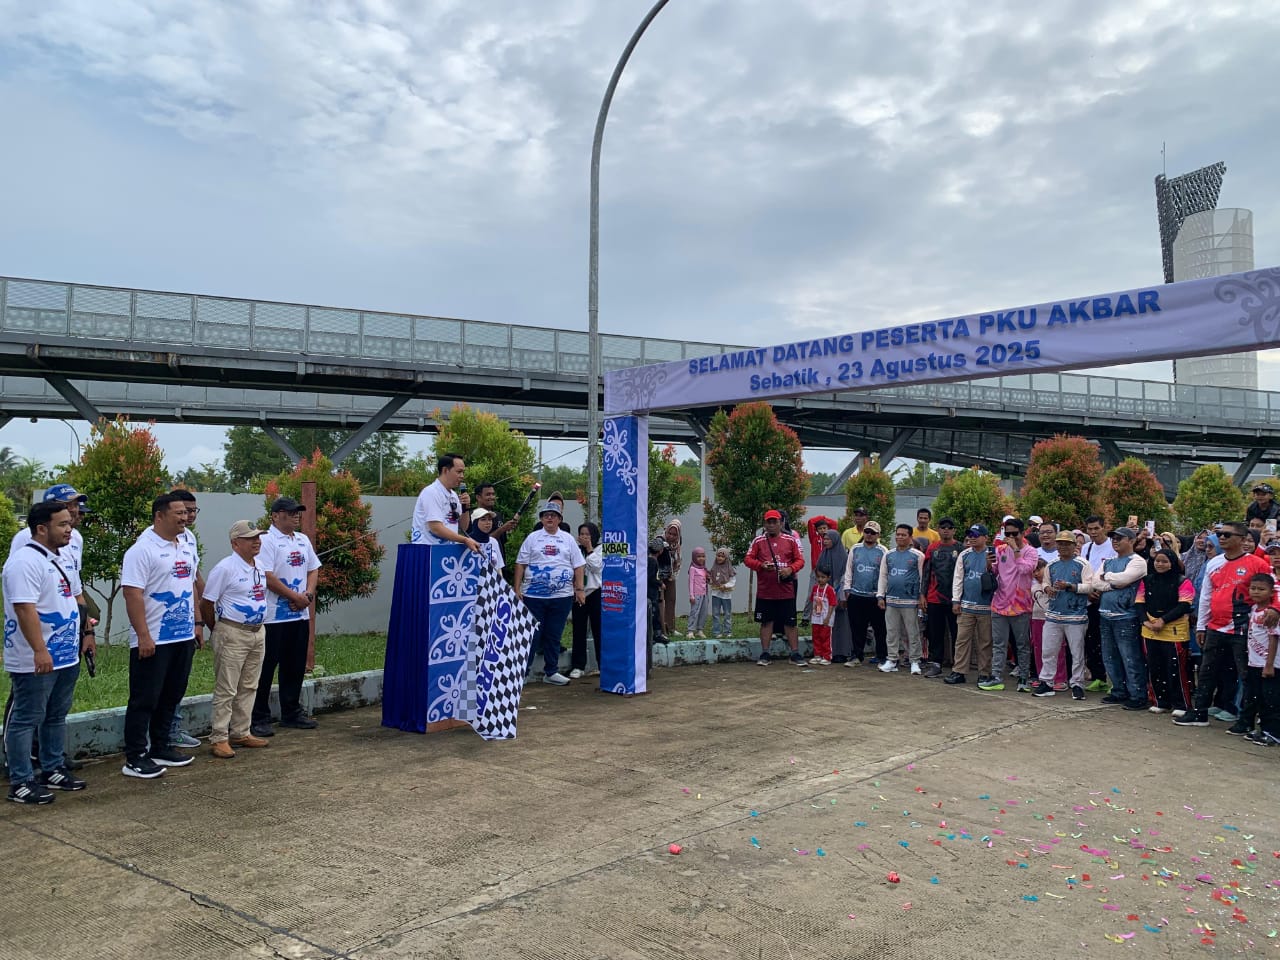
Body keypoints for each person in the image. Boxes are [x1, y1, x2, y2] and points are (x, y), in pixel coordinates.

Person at [3, 502, 91, 803]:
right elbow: (25, 609)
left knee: (55, 715)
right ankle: (21, 781)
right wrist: (40, 650)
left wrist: (85, 634)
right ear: (42, 528)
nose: (70, 528)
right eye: (63, 524)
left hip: (66, 655)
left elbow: (72, 598)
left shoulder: (61, 557)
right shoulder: (24, 562)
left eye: (70, 523)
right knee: (27, 718)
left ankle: (51, 768)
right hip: (35, 658)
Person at [120, 493, 201, 779]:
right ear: (159, 515)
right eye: (178, 513)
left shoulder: (185, 545)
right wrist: (143, 636)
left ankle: (161, 746)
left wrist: (196, 623)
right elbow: (132, 593)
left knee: (172, 694)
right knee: (145, 698)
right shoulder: (142, 550)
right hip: (154, 638)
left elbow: (191, 585)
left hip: (181, 636)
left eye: (187, 513)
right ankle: (135, 756)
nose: (184, 517)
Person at [1175, 520, 1274, 728]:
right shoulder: (1214, 562)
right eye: (1220, 534)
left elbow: (1271, 592)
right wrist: (1201, 626)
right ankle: (1199, 713)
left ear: (1242, 539)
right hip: (1215, 627)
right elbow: (1206, 597)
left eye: (1227, 535)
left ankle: (1245, 721)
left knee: (1245, 675)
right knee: (1207, 671)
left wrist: (1271, 613)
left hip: (1243, 628)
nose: (1221, 538)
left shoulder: (1258, 564)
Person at [251, 497, 323, 737]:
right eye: (290, 512)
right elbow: (267, 576)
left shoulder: (302, 540)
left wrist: (308, 595)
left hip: (299, 616)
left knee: (294, 667)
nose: (296, 516)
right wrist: (294, 595)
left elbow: (313, 569)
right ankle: (259, 717)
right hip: (273, 618)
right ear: (275, 515)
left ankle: (291, 712)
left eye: (297, 513)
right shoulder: (267, 541)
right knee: (265, 668)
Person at [200, 521, 270, 759]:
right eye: (251, 538)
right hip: (232, 632)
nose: (257, 541)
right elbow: (207, 602)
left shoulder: (259, 565)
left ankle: (241, 731)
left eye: (258, 537)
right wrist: (216, 628)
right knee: (227, 687)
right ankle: (219, 737)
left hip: (257, 632)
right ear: (235, 543)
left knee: (249, 685)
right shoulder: (225, 568)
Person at [514, 500, 585, 685]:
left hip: (561, 597)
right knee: (531, 634)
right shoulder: (533, 538)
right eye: (546, 515)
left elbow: (578, 566)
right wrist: (517, 588)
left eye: (553, 515)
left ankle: (551, 672)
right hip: (534, 596)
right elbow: (520, 564)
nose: (550, 518)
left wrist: (580, 589)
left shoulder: (568, 539)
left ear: (560, 519)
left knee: (554, 634)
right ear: (542, 519)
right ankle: (523, 673)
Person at [1033, 530, 1096, 699]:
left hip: (1076, 615)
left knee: (1077, 652)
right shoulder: (1052, 564)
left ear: (1074, 545)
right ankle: (1046, 682)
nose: (1063, 547)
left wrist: (1070, 586)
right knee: (1048, 650)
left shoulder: (1083, 564)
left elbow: (1090, 586)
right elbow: (1045, 581)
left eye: (1067, 544)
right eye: (1060, 543)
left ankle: (1077, 684)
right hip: (1053, 614)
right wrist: (1048, 589)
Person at [165, 489, 205, 750]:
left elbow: (193, 580)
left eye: (192, 511)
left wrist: (199, 620)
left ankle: (172, 729)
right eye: (183, 511)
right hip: (161, 630)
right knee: (159, 686)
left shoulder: (188, 539)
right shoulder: (154, 542)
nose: (189, 516)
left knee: (178, 682)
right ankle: (159, 735)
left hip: (185, 626)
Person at [1093, 527, 1150, 710]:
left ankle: (1138, 694)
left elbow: (1123, 579)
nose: (1115, 541)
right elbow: (1095, 583)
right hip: (1105, 614)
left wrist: (1107, 578)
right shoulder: (1108, 561)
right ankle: (1118, 690)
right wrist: (1112, 583)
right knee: (1110, 657)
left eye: (1119, 538)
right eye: (1113, 538)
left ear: (1132, 540)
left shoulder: (1138, 561)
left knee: (1130, 657)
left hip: (1126, 616)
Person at [1135, 549, 1195, 716]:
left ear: (1172, 563)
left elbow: (1184, 604)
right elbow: (1139, 602)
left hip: (1174, 630)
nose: (1160, 564)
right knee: (1155, 667)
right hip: (1150, 630)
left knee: (1176, 668)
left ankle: (1181, 704)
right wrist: (1146, 621)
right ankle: (1160, 701)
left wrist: (1163, 620)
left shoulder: (1182, 581)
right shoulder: (1146, 581)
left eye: (1164, 561)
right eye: (1157, 561)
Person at [745, 509, 805, 666]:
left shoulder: (790, 540)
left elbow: (800, 560)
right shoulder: (758, 541)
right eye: (768, 522)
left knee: (790, 623)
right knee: (766, 622)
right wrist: (761, 565)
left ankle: (795, 654)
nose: (771, 525)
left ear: (781, 523)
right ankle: (765, 654)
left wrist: (790, 569)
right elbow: (748, 559)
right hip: (765, 591)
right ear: (764, 524)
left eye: (775, 522)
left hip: (786, 591)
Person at [988, 517, 1038, 692]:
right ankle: (996, 677)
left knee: (1022, 644)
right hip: (999, 603)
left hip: (1020, 605)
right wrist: (989, 565)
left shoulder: (1031, 552)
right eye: (1007, 533)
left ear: (1022, 533)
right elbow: (996, 571)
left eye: (1014, 534)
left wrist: (1016, 549)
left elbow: (1025, 569)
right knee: (999, 643)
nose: (1010, 537)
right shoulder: (1000, 549)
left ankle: (1024, 677)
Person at [945, 524, 995, 686]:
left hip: (987, 607)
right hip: (966, 606)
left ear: (985, 537)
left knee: (985, 642)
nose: (972, 538)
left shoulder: (993, 554)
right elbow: (958, 578)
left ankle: (984, 673)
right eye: (970, 535)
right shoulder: (964, 555)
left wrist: (990, 565)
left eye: (976, 535)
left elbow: (999, 577)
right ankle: (959, 671)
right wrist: (956, 600)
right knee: (962, 640)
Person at [877, 524, 925, 674]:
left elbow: (923, 578)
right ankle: (892, 660)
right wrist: (880, 595)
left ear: (910, 537)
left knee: (912, 632)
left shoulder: (918, 556)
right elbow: (883, 576)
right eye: (897, 534)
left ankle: (915, 661)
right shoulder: (888, 555)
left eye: (903, 535)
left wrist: (921, 597)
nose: (899, 537)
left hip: (910, 601)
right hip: (891, 600)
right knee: (891, 631)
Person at [1241, 573, 1280, 746]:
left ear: (1272, 592)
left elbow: (1273, 638)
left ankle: (1274, 733)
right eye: (1253, 588)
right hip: (1254, 662)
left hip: (1270, 664)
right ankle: (1264, 729)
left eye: (1261, 589)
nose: (1256, 592)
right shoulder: (1253, 610)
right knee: (1258, 697)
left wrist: (1269, 665)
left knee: (1271, 699)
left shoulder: (1271, 615)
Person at [841, 520, 887, 665]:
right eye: (867, 532)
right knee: (857, 628)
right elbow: (849, 569)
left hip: (875, 596)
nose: (869, 535)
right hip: (856, 595)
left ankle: (881, 656)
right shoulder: (855, 549)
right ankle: (856, 656)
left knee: (880, 629)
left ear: (878, 535)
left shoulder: (883, 551)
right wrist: (847, 589)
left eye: (873, 533)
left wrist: (882, 594)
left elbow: (885, 574)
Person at [1080, 515, 1117, 692]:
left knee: (1111, 641)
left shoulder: (1113, 546)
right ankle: (1098, 677)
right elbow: (1084, 572)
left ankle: (1116, 681)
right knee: (1092, 640)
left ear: (1103, 527)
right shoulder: (1086, 548)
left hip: (1109, 598)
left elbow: (1115, 572)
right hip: (1090, 600)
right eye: (1090, 529)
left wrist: (1101, 590)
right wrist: (1089, 592)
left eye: (1096, 528)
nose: (1093, 532)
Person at [411, 453, 477, 550]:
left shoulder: (453, 495)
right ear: (445, 470)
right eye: (459, 472)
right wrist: (464, 540)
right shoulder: (431, 492)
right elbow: (436, 528)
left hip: (446, 551)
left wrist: (466, 507)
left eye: (463, 472)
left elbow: (463, 526)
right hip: (427, 551)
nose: (462, 476)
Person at [922, 518, 960, 675]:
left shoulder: (960, 548)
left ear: (954, 530)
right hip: (934, 598)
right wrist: (922, 596)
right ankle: (936, 663)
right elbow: (925, 573)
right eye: (943, 527)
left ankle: (958, 665)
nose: (946, 530)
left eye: (949, 527)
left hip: (954, 599)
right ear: (938, 529)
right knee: (935, 633)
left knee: (957, 633)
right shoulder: (932, 548)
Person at [569, 522, 602, 679]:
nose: (584, 537)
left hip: (595, 592)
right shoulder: (575, 550)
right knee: (579, 630)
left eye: (587, 534)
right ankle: (578, 665)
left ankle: (602, 663)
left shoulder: (601, 549)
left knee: (598, 629)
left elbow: (596, 567)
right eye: (582, 534)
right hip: (579, 593)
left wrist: (589, 548)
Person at [815, 530, 853, 663]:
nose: (826, 541)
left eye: (828, 539)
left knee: (841, 623)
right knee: (826, 623)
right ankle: (826, 652)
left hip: (839, 595)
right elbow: (818, 574)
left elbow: (845, 577)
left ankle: (841, 652)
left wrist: (841, 595)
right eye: (824, 539)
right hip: (825, 596)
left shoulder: (843, 557)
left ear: (835, 540)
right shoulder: (823, 555)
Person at [1030, 558, 1066, 690]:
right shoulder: (1034, 587)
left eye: (1039, 569)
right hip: (1036, 619)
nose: (1036, 573)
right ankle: (1043, 677)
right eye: (1033, 571)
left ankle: (1060, 678)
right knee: (1039, 648)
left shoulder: (1055, 585)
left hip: (1053, 619)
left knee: (1057, 649)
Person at [468, 482, 520, 555]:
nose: (492, 497)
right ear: (478, 497)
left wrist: (508, 528)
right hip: (480, 559)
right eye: (488, 494)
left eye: (493, 494)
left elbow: (502, 540)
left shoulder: (498, 515)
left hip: (499, 560)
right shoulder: (472, 516)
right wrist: (503, 528)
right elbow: (479, 539)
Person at [808, 568, 837, 665]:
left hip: (825, 617)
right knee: (816, 636)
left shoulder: (830, 590)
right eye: (818, 577)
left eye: (823, 577)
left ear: (828, 578)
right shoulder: (815, 588)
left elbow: (832, 604)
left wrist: (828, 617)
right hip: (816, 616)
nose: (820, 579)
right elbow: (813, 601)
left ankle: (827, 656)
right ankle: (817, 655)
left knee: (825, 637)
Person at [708, 548, 737, 639]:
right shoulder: (714, 567)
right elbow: (711, 579)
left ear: (726, 558)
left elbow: (733, 580)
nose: (719, 558)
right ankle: (716, 632)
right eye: (718, 556)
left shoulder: (729, 568)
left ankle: (727, 631)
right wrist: (709, 579)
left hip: (726, 595)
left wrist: (726, 585)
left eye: (722, 556)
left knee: (727, 613)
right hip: (716, 594)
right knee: (715, 613)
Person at [662, 520, 683, 636]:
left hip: (671, 576)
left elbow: (678, 561)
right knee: (659, 602)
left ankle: (671, 628)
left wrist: (673, 574)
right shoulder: (659, 541)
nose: (671, 536)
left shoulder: (677, 545)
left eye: (675, 534)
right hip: (658, 576)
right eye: (669, 533)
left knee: (671, 599)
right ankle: (660, 629)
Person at [687, 547, 709, 639]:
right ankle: (690, 631)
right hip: (696, 595)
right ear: (694, 557)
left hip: (704, 594)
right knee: (694, 612)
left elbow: (705, 581)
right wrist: (691, 595)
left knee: (703, 612)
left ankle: (700, 630)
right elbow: (691, 582)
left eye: (703, 556)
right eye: (699, 556)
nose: (701, 558)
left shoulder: (704, 568)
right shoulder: (692, 568)